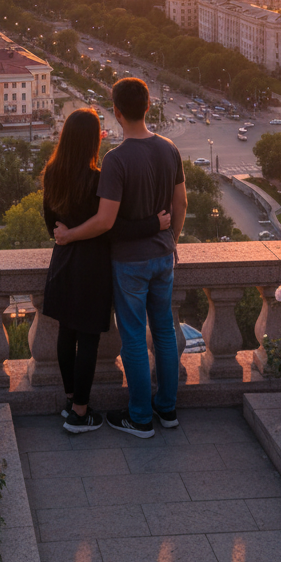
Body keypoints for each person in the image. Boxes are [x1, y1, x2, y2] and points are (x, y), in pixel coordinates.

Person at [55, 78, 186, 439]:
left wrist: (68, 235)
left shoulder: (115, 160)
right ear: (148, 107)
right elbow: (181, 204)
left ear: (116, 111)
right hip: (163, 257)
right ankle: (168, 409)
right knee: (163, 331)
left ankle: (141, 417)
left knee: (133, 338)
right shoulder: (169, 149)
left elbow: (104, 222)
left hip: (130, 263)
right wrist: (170, 239)